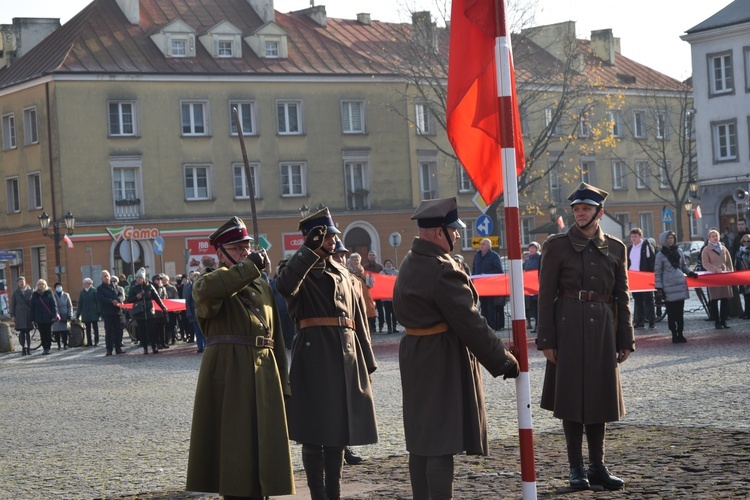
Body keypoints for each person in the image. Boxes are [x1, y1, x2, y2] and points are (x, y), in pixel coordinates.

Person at [392, 197, 519, 499]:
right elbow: (470, 322)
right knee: (440, 443)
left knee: (421, 441)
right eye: (454, 229)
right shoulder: (441, 269)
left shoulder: (409, 261)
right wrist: (503, 360)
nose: (459, 234)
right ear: (439, 233)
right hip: (440, 358)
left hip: (416, 354)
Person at [186, 216, 295, 499]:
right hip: (230, 373)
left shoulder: (261, 286)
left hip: (263, 372)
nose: (245, 252)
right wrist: (248, 267)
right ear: (220, 253)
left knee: (265, 453)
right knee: (235, 449)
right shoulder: (208, 282)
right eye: (237, 248)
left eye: (247, 247)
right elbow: (212, 290)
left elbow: (276, 338)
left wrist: (283, 381)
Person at [536, 183, 635, 491]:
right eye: (577, 209)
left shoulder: (617, 247)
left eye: (586, 209)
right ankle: (576, 468)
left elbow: (623, 295)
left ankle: (598, 466)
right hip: (567, 328)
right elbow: (545, 295)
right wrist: (547, 339)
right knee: (571, 399)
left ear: (599, 213)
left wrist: (625, 338)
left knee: (599, 398)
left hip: (604, 328)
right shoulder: (556, 246)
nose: (580, 213)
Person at [276, 208, 378, 500]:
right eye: (327, 236)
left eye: (334, 235)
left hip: (345, 356)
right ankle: (318, 494)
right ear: (312, 238)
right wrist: (307, 249)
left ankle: (333, 493)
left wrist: (366, 362)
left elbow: (357, 318)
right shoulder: (297, 266)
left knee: (338, 432)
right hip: (314, 354)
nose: (334, 241)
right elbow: (284, 286)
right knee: (314, 430)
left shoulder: (342, 271)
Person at [330, 237, 366, 467]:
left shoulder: (350, 280)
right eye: (339, 256)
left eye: (343, 255)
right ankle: (333, 449)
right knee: (331, 405)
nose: (342, 259)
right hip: (330, 350)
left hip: (349, 349)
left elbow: (360, 319)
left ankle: (345, 448)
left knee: (346, 404)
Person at [654, 231, 699, 343]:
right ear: (664, 240)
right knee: (672, 313)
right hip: (668, 286)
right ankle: (674, 334)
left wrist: (690, 273)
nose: (671, 240)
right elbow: (658, 272)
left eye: (672, 238)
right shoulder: (660, 255)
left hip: (679, 284)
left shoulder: (679, 251)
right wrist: (659, 287)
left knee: (679, 312)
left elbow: (683, 266)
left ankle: (680, 333)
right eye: (668, 238)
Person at [125, 269, 167, 354]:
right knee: (142, 331)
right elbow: (128, 300)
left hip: (149, 311)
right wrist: (136, 297)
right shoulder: (133, 288)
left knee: (152, 330)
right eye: (137, 278)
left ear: (144, 278)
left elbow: (157, 298)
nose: (138, 279)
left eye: (140, 278)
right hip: (139, 312)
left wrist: (163, 307)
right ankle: (145, 348)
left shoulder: (150, 287)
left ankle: (154, 347)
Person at [701, 228, 735, 330]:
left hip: (724, 276)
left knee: (725, 300)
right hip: (713, 277)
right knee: (714, 300)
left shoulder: (723, 248)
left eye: (716, 236)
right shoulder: (706, 250)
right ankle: (717, 322)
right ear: (709, 238)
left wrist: (730, 272)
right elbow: (705, 263)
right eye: (713, 236)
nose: (715, 238)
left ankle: (723, 320)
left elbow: (729, 261)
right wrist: (715, 269)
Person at [472, 237, 505, 330]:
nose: (481, 246)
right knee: (483, 306)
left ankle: (492, 326)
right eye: (481, 244)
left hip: (490, 285)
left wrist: (486, 274)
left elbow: (499, 270)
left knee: (491, 306)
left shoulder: (494, 256)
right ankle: (484, 326)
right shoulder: (477, 256)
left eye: (484, 244)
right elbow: (474, 269)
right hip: (480, 285)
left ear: (489, 246)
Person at [627, 228, 656, 329]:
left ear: (640, 237)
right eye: (632, 237)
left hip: (644, 276)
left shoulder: (646, 246)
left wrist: (653, 275)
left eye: (635, 236)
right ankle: (640, 321)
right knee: (638, 300)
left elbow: (652, 260)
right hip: (634, 277)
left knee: (648, 300)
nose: (633, 238)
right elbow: (628, 262)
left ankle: (652, 321)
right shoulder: (630, 248)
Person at [348, 252, 377, 333]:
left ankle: (369, 326)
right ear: (351, 261)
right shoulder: (348, 270)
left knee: (366, 309)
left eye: (357, 260)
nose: (356, 261)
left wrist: (369, 279)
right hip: (353, 292)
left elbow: (368, 283)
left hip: (364, 292)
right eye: (354, 260)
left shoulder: (362, 270)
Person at [98, 270, 125, 355]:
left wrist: (117, 300)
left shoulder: (114, 286)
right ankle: (109, 349)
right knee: (109, 332)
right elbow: (101, 299)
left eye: (107, 276)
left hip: (117, 312)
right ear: (101, 278)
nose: (106, 278)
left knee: (118, 331)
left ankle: (118, 348)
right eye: (104, 276)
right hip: (107, 312)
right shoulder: (100, 288)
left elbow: (121, 295)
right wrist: (111, 301)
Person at [30, 279, 58, 355]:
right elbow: (32, 307)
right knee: (42, 333)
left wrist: (54, 315)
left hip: (48, 317)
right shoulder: (35, 295)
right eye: (40, 284)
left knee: (48, 333)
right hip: (39, 317)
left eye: (43, 284)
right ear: (37, 286)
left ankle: (48, 347)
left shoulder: (49, 293)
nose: (41, 286)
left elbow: (53, 305)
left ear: (45, 285)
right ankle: (44, 348)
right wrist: (32, 318)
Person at [10, 276, 34, 356]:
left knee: (28, 332)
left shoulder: (31, 291)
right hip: (19, 315)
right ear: (18, 283)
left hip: (28, 314)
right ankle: (23, 348)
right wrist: (12, 315)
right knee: (22, 332)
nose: (21, 283)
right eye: (20, 282)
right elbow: (13, 305)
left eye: (22, 281)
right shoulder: (15, 292)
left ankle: (29, 348)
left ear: (25, 282)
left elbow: (34, 304)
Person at [363, 250, 385, 332]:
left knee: (380, 309)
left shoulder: (380, 267)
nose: (371, 256)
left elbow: (383, 278)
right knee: (370, 309)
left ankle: (381, 325)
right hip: (369, 291)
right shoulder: (364, 267)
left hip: (378, 291)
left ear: (375, 256)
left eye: (373, 255)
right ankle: (372, 326)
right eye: (370, 255)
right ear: (368, 257)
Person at [183, 271, 205, 353]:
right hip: (194, 313)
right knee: (198, 332)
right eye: (194, 276)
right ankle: (200, 347)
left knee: (204, 331)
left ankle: (206, 346)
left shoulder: (204, 286)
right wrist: (189, 313)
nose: (196, 277)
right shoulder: (190, 288)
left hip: (203, 312)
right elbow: (187, 302)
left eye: (197, 276)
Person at [77, 277, 101, 346]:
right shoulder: (82, 292)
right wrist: (78, 313)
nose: (85, 285)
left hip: (94, 312)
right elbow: (80, 303)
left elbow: (97, 301)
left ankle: (96, 341)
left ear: (90, 284)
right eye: (84, 284)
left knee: (95, 328)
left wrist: (99, 311)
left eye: (86, 284)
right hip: (85, 312)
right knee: (87, 329)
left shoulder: (94, 291)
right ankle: (89, 342)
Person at [524, 241, 541, 333]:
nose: (531, 249)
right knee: (532, 308)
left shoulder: (540, 258)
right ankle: (534, 325)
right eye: (530, 247)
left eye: (533, 248)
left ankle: (538, 326)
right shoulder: (528, 260)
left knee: (538, 308)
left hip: (538, 287)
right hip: (529, 289)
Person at [51, 282, 73, 350]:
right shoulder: (53, 296)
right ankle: (58, 345)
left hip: (64, 315)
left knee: (64, 331)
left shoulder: (66, 295)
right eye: (57, 287)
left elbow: (69, 306)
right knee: (57, 332)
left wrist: (70, 314)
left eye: (60, 286)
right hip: (56, 315)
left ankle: (65, 344)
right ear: (55, 288)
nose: (59, 288)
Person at [380, 259, 400, 333]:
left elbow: (398, 281)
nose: (388, 264)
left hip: (393, 296)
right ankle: (389, 328)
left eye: (390, 263)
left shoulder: (396, 272)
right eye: (387, 263)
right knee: (387, 313)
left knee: (394, 313)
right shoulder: (381, 273)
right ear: (384, 265)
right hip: (386, 297)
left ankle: (394, 327)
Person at [734, 233, 750, 319]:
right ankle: (746, 311)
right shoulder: (739, 252)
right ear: (742, 242)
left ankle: (748, 312)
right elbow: (736, 264)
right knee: (745, 295)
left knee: (749, 295)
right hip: (741, 276)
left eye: (748, 241)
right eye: (745, 241)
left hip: (749, 275)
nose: (746, 243)